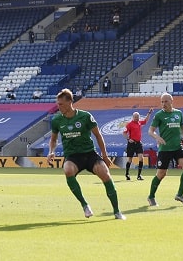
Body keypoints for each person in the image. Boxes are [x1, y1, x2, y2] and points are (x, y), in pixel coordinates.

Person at [47, 88, 126, 220]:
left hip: (89, 154)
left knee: (105, 175)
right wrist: (51, 151)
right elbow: (53, 139)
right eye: (58, 104)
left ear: (70, 102)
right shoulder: (56, 120)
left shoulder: (85, 116)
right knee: (67, 170)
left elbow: (98, 135)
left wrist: (105, 156)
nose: (58, 107)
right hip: (72, 156)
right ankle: (85, 205)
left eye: (61, 104)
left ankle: (117, 211)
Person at [147, 92, 183, 207]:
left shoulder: (178, 113)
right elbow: (150, 131)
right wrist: (157, 137)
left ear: (171, 101)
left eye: (166, 101)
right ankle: (151, 196)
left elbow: (182, 127)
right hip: (165, 148)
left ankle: (180, 194)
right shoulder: (159, 115)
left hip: (177, 147)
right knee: (161, 174)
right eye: (162, 102)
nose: (163, 104)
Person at [122, 108, 153, 181]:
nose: (137, 118)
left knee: (141, 158)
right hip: (131, 144)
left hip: (138, 143)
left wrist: (149, 113)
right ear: (133, 117)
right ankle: (127, 174)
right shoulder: (129, 124)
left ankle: (139, 175)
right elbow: (124, 133)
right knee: (130, 159)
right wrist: (128, 139)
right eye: (135, 117)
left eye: (138, 117)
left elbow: (145, 121)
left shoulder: (139, 123)